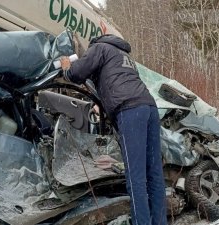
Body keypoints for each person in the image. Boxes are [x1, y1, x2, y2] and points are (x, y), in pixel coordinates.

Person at [59, 34, 168, 225]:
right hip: (149, 108)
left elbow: (76, 74)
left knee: (136, 178)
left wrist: (67, 67)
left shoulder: (99, 48)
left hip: (130, 111)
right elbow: (117, 83)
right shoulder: (123, 55)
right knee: (154, 173)